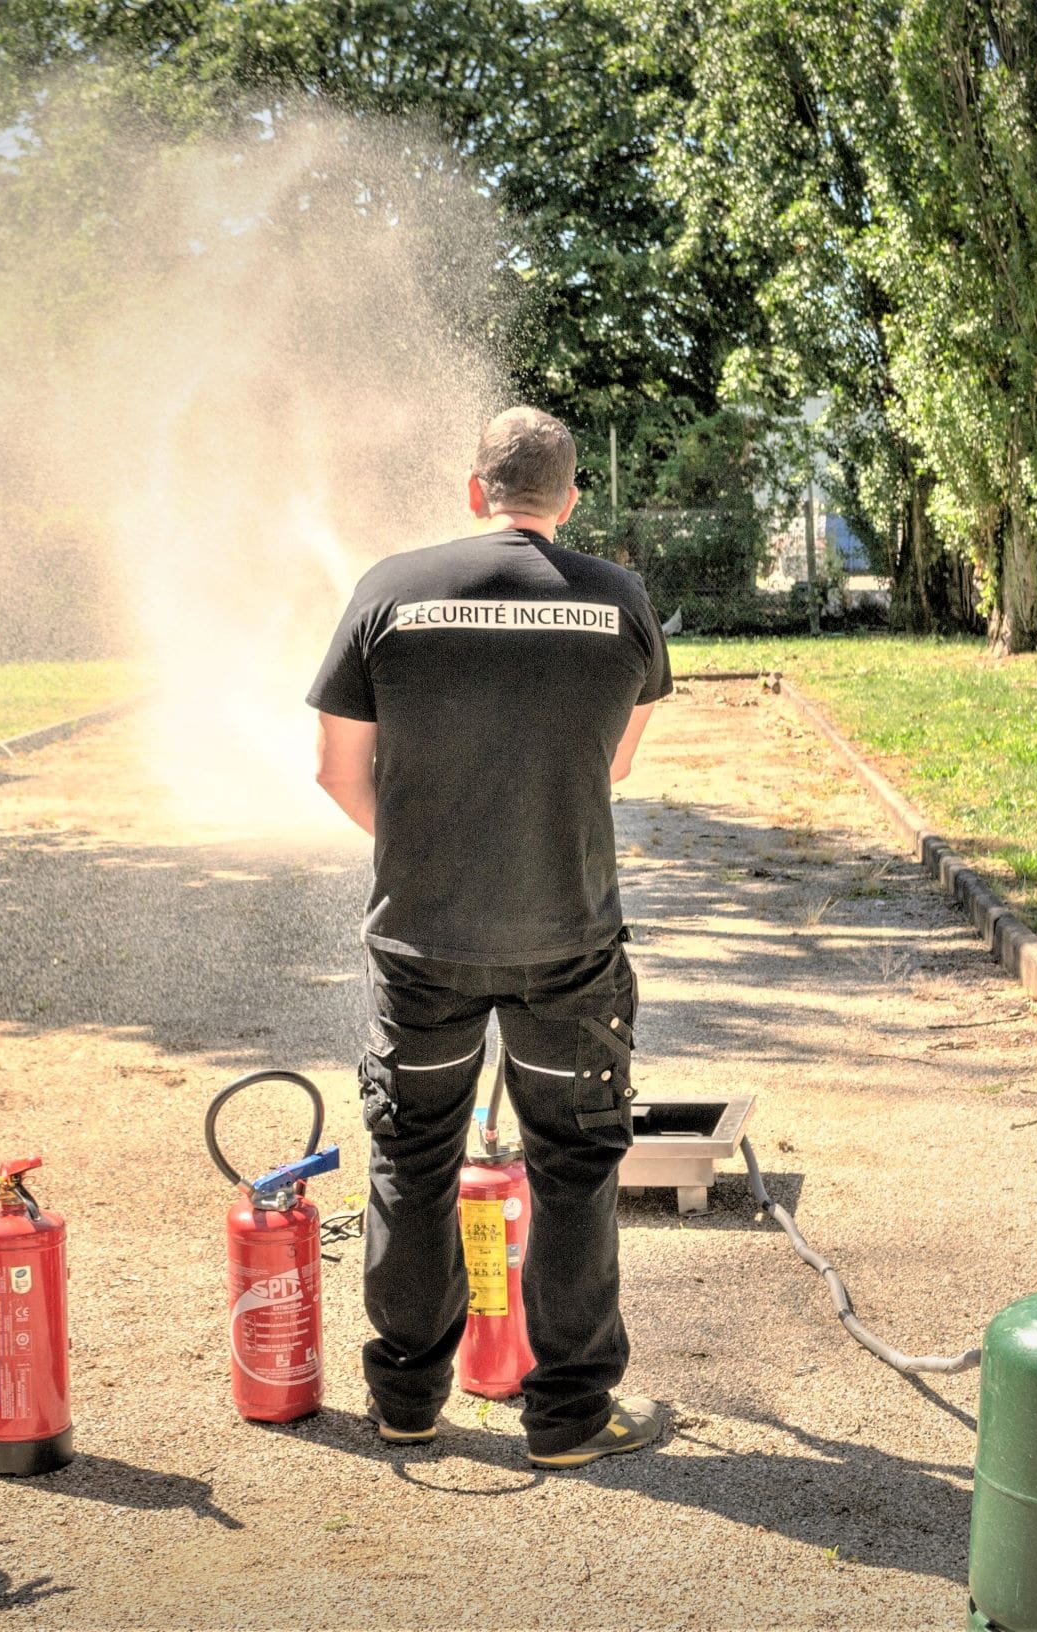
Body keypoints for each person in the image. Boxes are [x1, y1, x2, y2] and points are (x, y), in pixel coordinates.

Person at [306, 405, 673, 1468]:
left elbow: (336, 771)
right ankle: (566, 1419)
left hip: (421, 941)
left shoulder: (387, 590)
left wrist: (428, 845)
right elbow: (612, 765)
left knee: (411, 1156)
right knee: (573, 1165)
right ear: (567, 501)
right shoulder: (619, 602)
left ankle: (408, 1404)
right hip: (567, 937)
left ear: (475, 493)